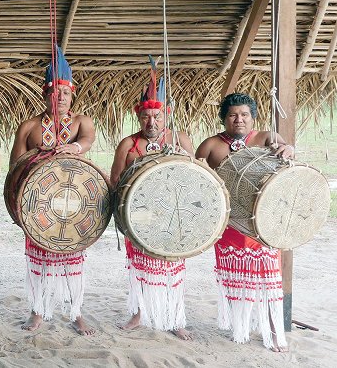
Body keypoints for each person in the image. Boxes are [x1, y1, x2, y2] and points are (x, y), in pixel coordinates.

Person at [196, 92, 294, 352]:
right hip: (228, 226)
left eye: (244, 115)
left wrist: (289, 149)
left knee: (268, 278)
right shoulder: (210, 146)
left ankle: (273, 331)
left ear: (253, 118)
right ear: (223, 118)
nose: (238, 120)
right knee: (238, 280)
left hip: (261, 225)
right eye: (232, 115)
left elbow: (287, 154)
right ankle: (242, 327)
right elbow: (196, 184)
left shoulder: (266, 138)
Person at [10, 46, 97, 335]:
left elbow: (86, 140)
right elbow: (15, 169)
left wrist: (72, 147)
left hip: (74, 202)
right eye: (55, 92)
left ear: (72, 96)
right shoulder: (29, 126)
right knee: (39, 260)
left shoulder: (81, 121)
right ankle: (37, 311)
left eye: (66, 93)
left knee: (73, 259)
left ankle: (76, 312)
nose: (60, 98)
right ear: (46, 94)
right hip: (38, 205)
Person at [109, 71, 194, 340]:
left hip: (173, 216)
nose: (151, 121)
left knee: (172, 267)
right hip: (140, 217)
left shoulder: (179, 139)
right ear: (138, 117)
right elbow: (115, 181)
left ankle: (175, 318)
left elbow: (197, 176)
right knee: (141, 266)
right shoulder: (129, 144)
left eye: (157, 116)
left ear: (166, 115)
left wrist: (184, 158)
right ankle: (139, 314)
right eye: (146, 116)